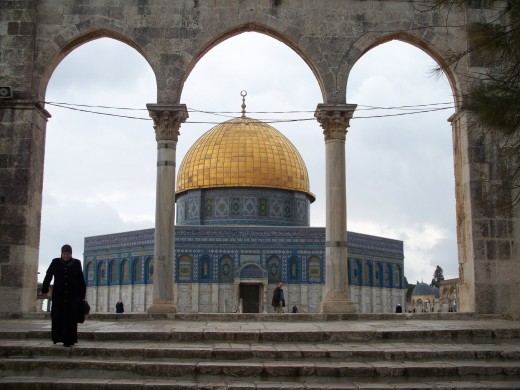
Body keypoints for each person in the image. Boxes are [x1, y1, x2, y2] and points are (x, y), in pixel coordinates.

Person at [41, 244, 86, 347]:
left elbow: (80, 279)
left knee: (70, 318)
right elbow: (48, 275)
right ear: (61, 253)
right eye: (64, 254)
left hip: (72, 296)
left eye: (68, 254)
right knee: (58, 316)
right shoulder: (55, 262)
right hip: (58, 296)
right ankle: (57, 337)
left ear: (71, 254)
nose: (66, 256)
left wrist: (82, 295)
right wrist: (45, 288)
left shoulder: (76, 263)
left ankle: (69, 340)